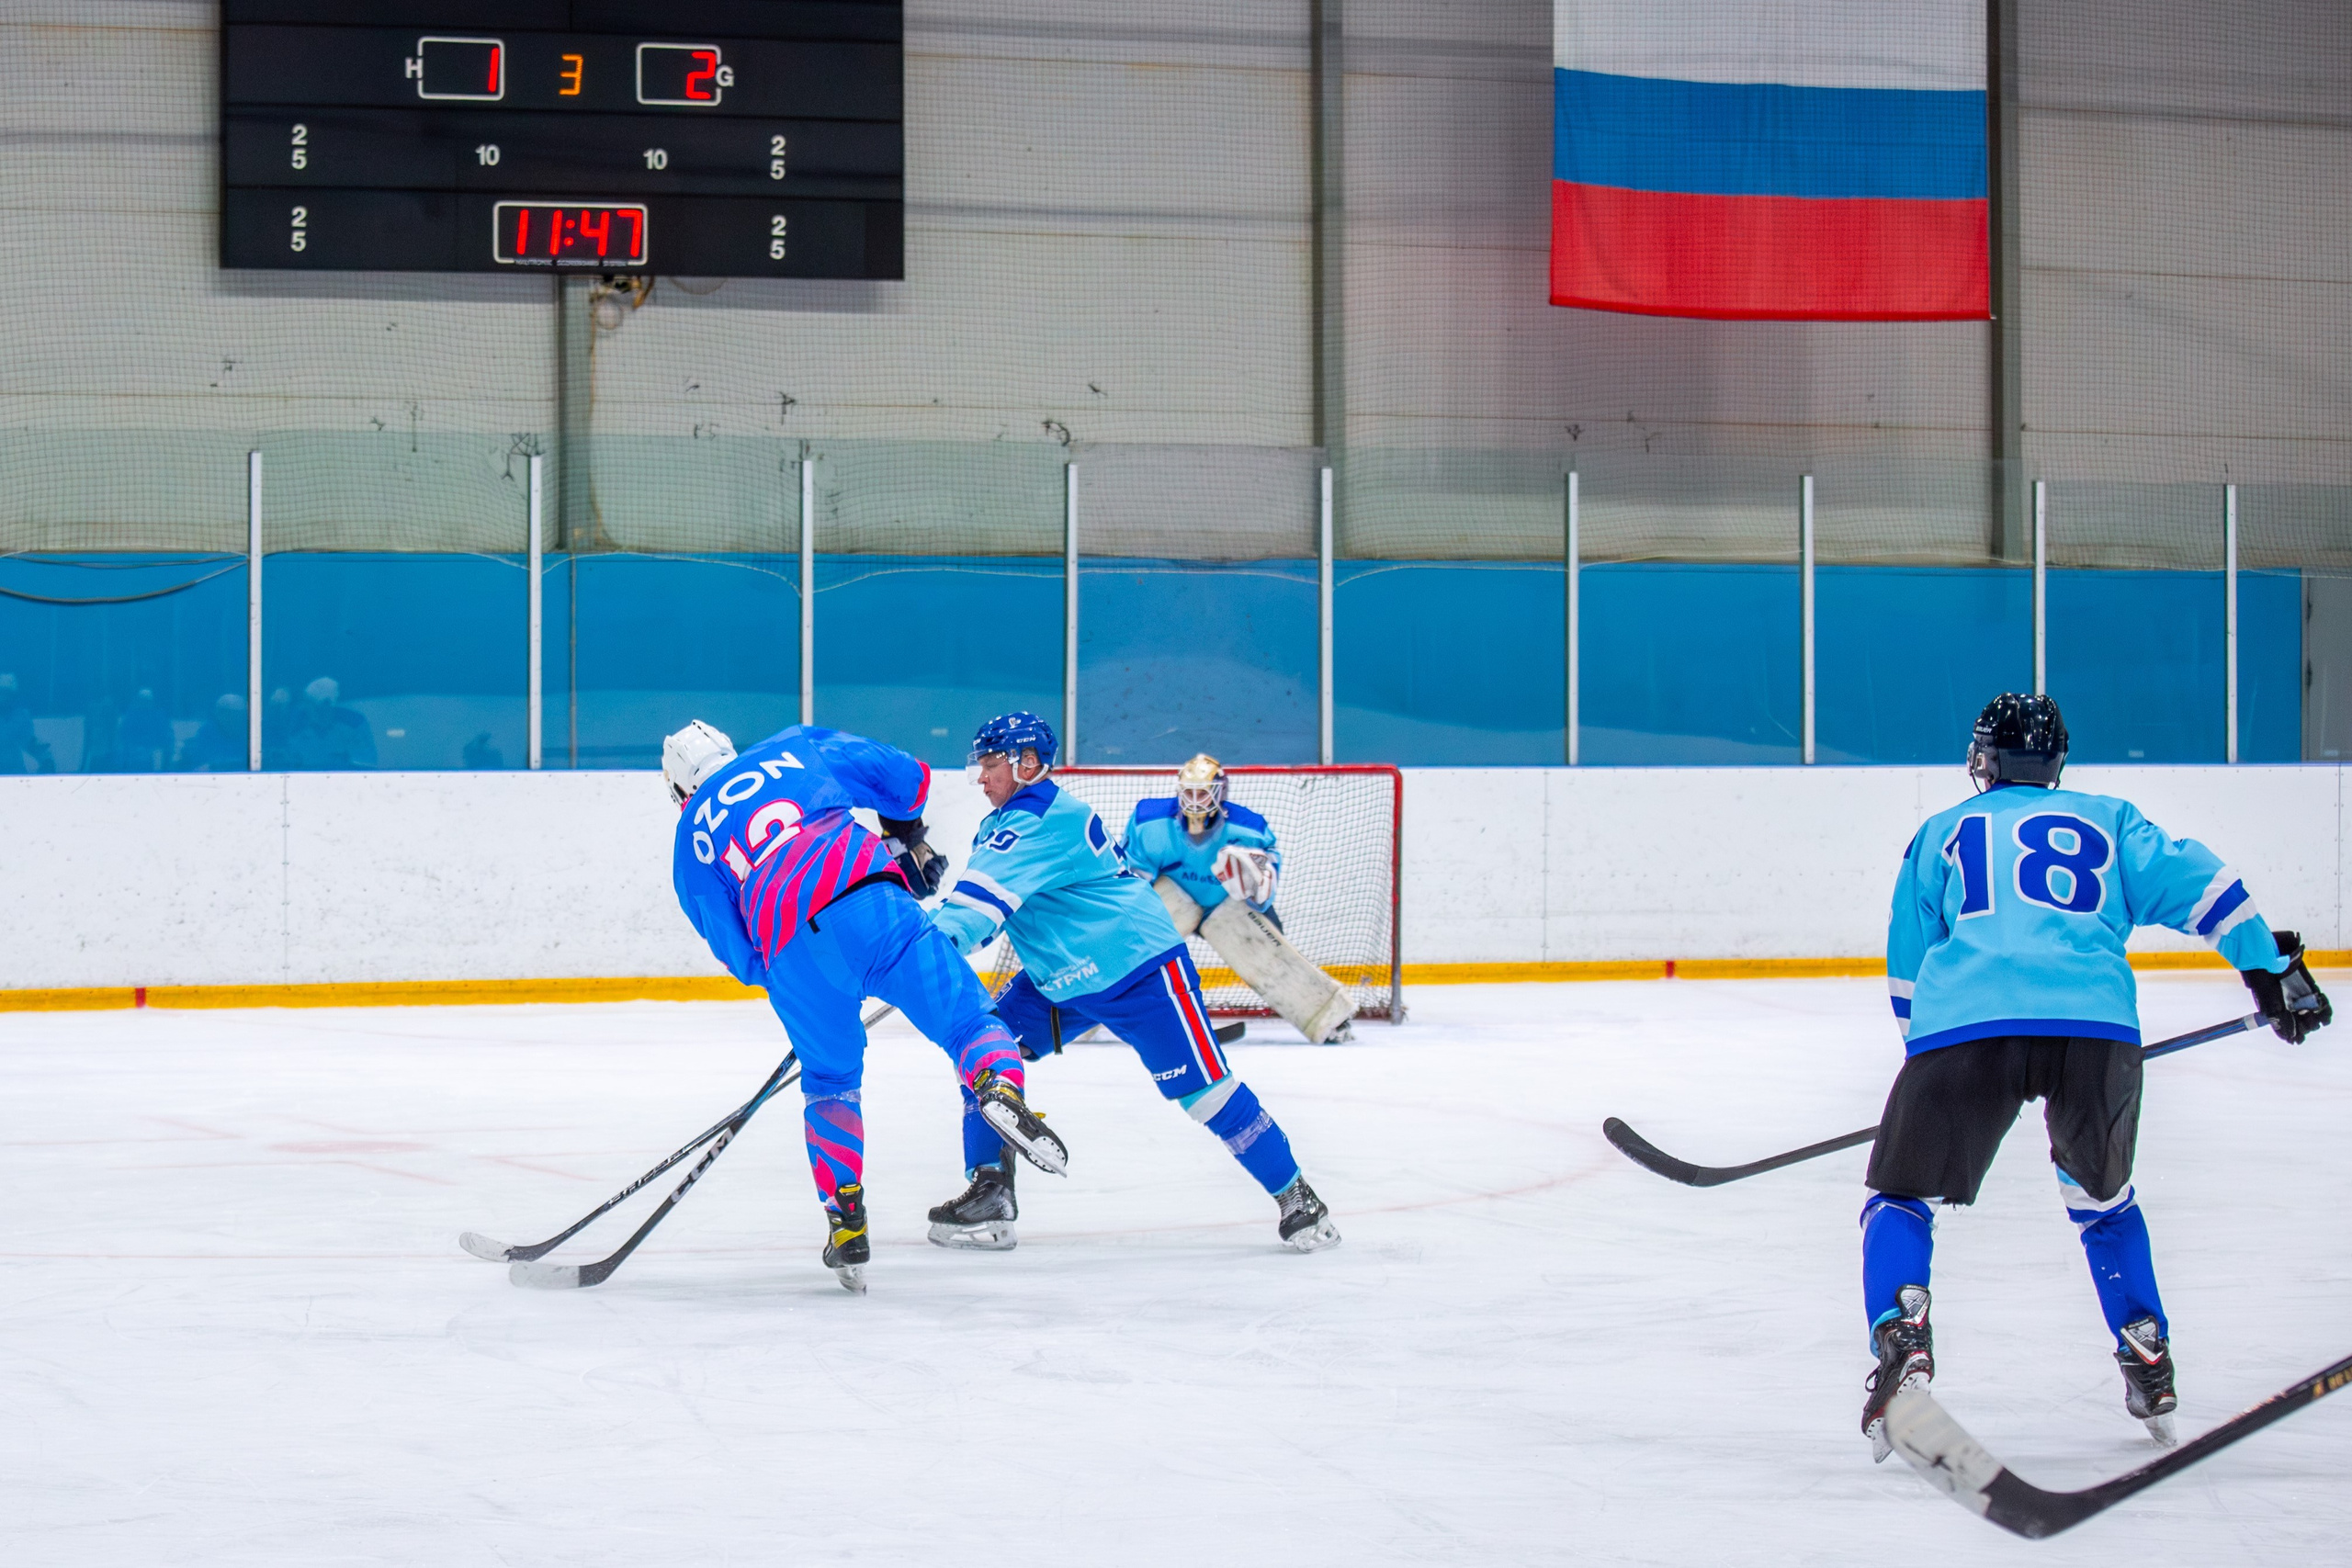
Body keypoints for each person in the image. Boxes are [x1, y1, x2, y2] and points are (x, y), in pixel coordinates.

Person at [1857, 693, 2332, 1461]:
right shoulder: (2108, 820)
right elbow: (2203, 886)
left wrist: (1928, 1059)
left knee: (1898, 1196)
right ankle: (2146, 1347)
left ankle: (1902, 1331)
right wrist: (2269, 967)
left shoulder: (1941, 831)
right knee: (2104, 1200)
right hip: (2096, 1029)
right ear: (2057, 760)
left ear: (1983, 758)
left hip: (1968, 1029)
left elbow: (1909, 961)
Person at [665, 719, 1069, 1292]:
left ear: (679, 790)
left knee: (830, 1083)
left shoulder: (689, 841)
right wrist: (903, 835)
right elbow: (906, 779)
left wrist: (791, 977)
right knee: (972, 1024)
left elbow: (739, 953)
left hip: (791, 953)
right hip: (873, 900)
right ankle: (997, 1087)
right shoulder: (790, 749)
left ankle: (846, 1222)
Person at [924, 711, 1339, 1254]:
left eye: (991, 764)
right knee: (981, 1048)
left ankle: (1298, 1201)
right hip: (1062, 979)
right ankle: (991, 1192)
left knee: (1206, 1093)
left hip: (1139, 967)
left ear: (1028, 764)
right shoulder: (1008, 822)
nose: (981, 777)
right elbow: (974, 910)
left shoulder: (1036, 820)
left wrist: (900, 955)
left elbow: (974, 915)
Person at [1118, 752, 1283, 921]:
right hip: (1172, 900)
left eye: (1203, 794)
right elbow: (1134, 884)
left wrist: (1257, 893)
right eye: (1190, 792)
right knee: (1129, 925)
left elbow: (1263, 892)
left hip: (1226, 906)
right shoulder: (1149, 823)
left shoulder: (1251, 832)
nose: (1194, 801)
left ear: (1220, 792)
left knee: (1269, 933)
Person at [0, 673, 55, 773]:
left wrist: (46, 760)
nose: (4, 698)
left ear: (13, 696)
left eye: (7, 694)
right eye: (1, 693)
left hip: (15, 775)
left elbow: (30, 741)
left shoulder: (21, 716)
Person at [179, 694, 248, 772]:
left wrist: (218, 765)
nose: (228, 716)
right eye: (223, 712)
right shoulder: (206, 733)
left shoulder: (251, 732)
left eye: (233, 713)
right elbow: (200, 762)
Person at [115, 688, 175, 772]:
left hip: (155, 752)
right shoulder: (131, 716)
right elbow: (124, 735)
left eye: (147, 700)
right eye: (142, 700)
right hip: (134, 753)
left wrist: (156, 748)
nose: (145, 703)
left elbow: (166, 736)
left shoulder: (159, 716)